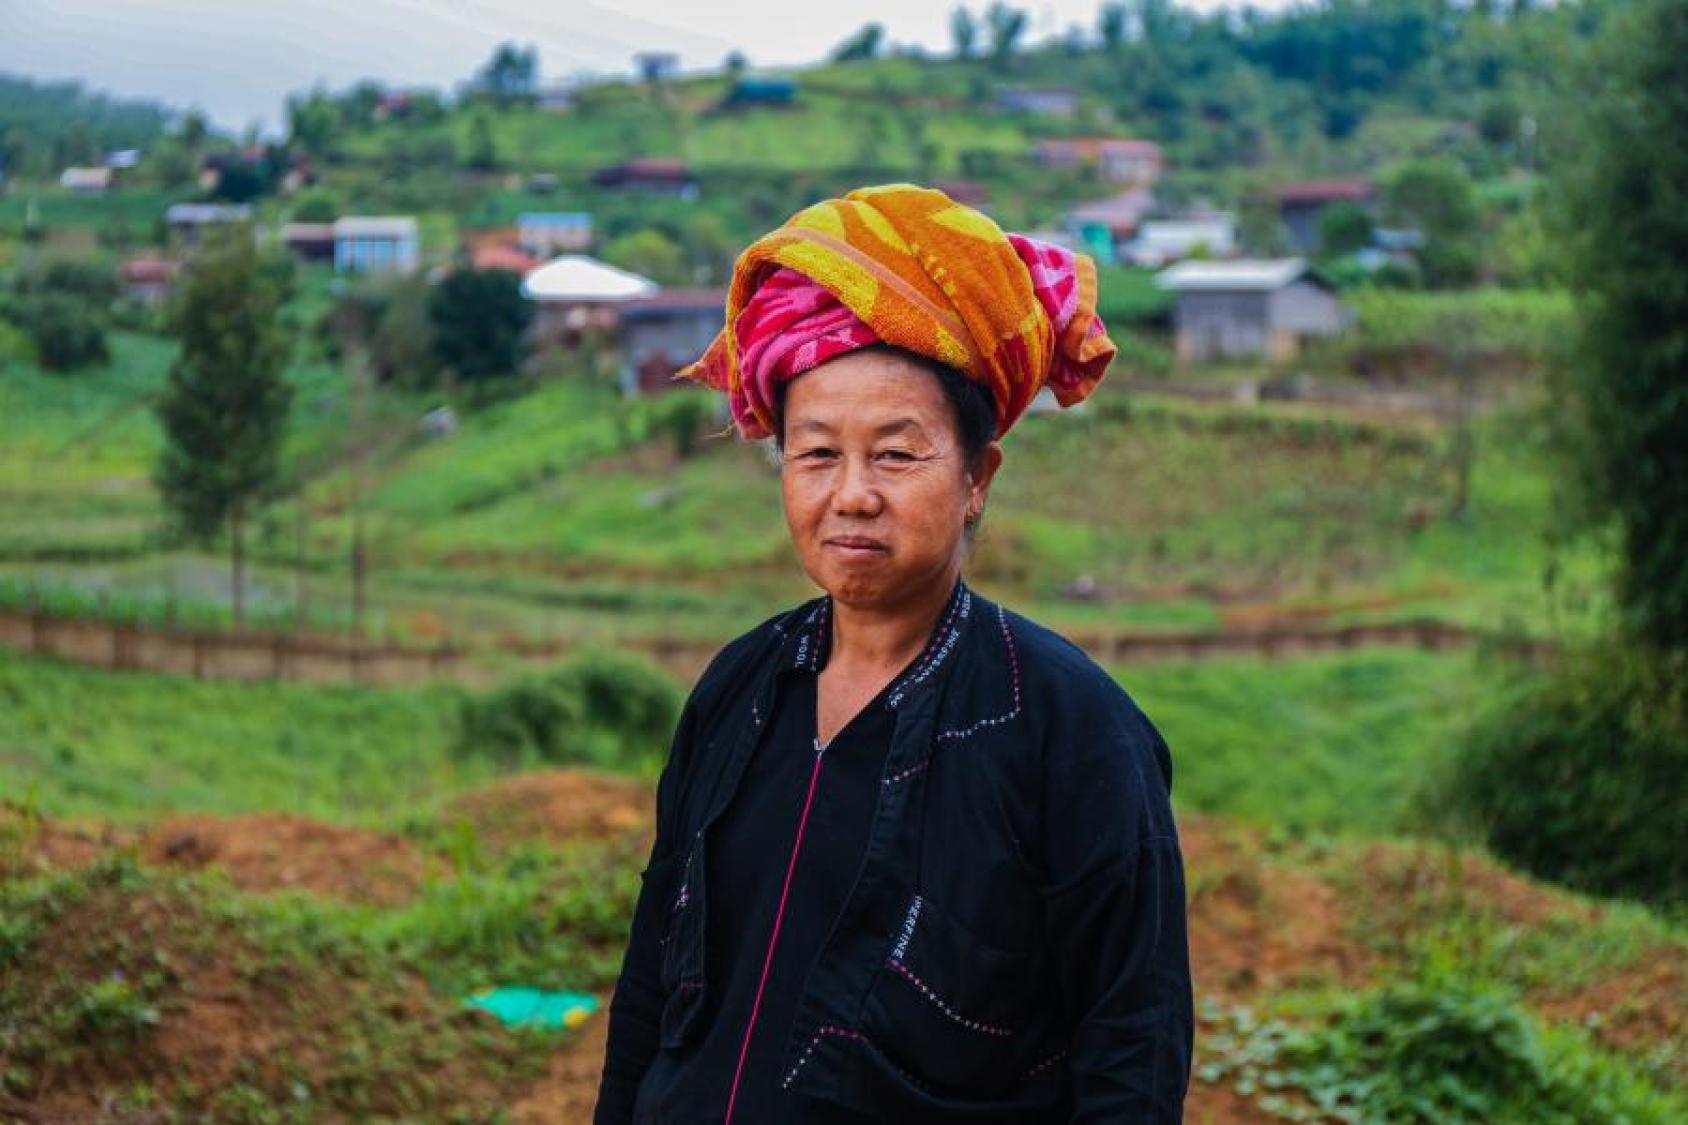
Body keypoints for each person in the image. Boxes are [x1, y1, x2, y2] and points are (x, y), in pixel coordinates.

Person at [593, 184, 1192, 1124]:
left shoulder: (1070, 729)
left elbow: (1133, 1050)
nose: (852, 494)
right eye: (816, 454)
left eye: (896, 455)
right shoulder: (739, 689)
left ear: (977, 477)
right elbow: (651, 988)